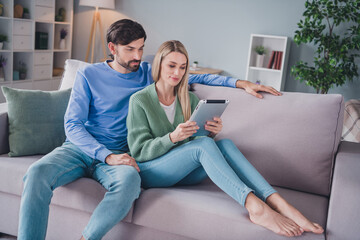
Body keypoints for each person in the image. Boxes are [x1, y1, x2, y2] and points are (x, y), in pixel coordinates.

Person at [17, 19, 281, 240]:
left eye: (141, 48)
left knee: (130, 181)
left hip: (123, 154)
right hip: (81, 148)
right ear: (112, 48)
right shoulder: (89, 75)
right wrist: (104, 154)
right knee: (37, 173)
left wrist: (240, 82)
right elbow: (72, 124)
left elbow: (196, 75)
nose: (137, 56)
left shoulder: (146, 72)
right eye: (130, 49)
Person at [127, 40, 324, 237]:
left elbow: (194, 142)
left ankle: (280, 204)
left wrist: (211, 132)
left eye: (182, 67)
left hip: (181, 172)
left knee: (225, 144)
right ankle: (255, 207)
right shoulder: (140, 100)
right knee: (203, 145)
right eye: (171, 65)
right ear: (159, 64)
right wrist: (172, 137)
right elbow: (139, 152)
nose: (177, 73)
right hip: (151, 171)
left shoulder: (189, 99)